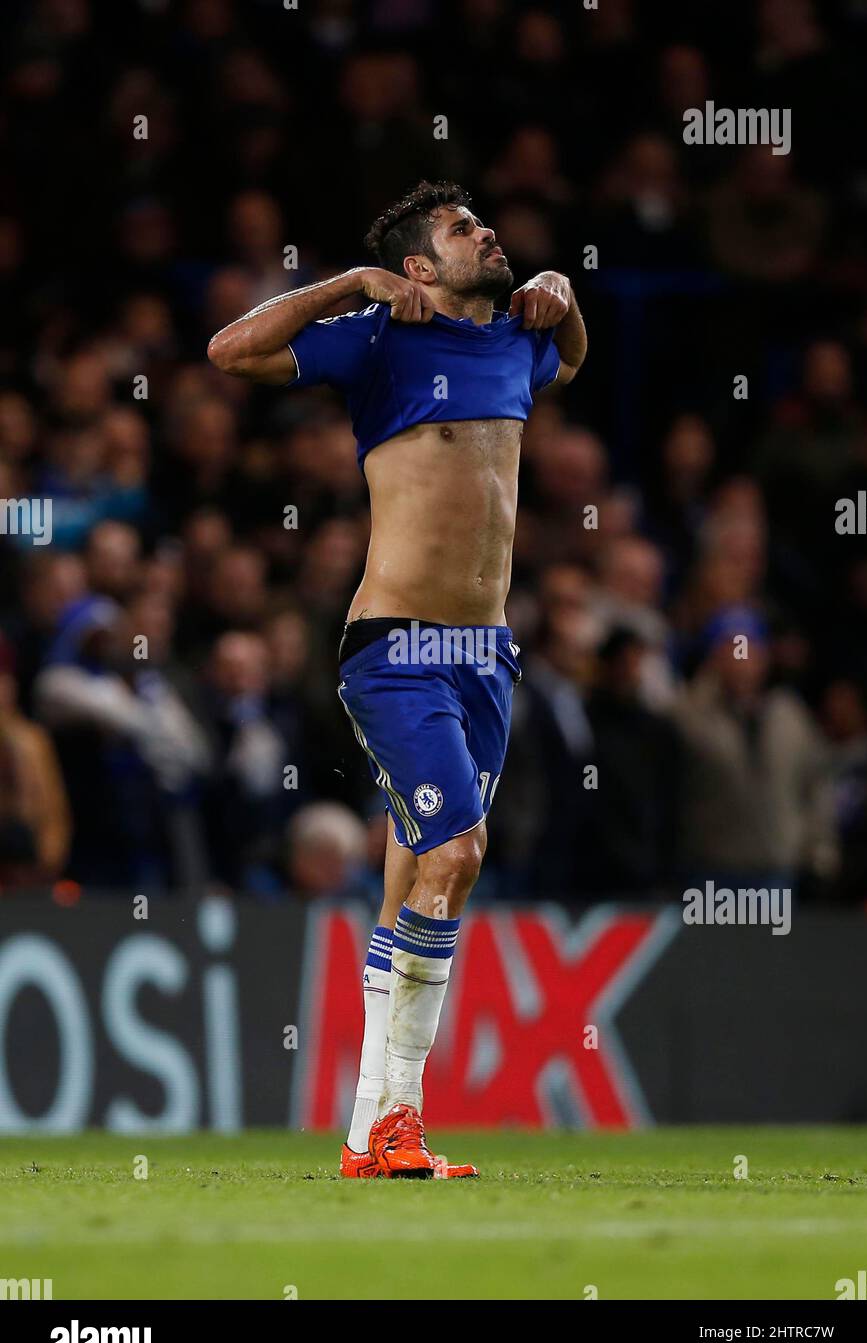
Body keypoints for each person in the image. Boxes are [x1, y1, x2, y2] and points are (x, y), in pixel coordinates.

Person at [208, 179, 586, 1178]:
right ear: (418, 267)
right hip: (399, 646)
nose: (485, 231)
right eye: (462, 230)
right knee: (457, 851)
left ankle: (369, 1134)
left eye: (482, 221)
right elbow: (228, 352)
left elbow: (572, 354)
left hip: (484, 657)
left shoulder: (517, 336)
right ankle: (397, 1121)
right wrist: (343, 285)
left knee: (422, 879)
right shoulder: (379, 338)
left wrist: (561, 288)